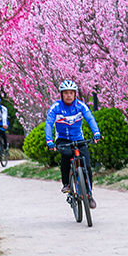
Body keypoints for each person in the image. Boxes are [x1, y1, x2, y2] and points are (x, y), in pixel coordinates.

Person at [45, 80, 102, 209]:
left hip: (79, 139)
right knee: (66, 155)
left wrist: (96, 132)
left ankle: (89, 194)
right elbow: (49, 123)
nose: (69, 95)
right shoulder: (55, 107)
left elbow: (90, 118)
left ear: (75, 94)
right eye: (66, 93)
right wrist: (49, 141)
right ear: (61, 94)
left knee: (86, 165)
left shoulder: (81, 106)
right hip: (63, 140)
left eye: (71, 93)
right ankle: (66, 183)